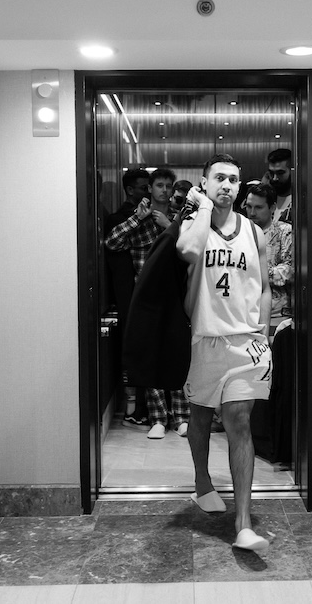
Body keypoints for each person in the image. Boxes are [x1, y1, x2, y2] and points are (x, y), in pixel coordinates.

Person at [176, 153, 273, 553]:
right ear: (204, 182)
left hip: (247, 343)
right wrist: (200, 208)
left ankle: (243, 524)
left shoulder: (255, 232)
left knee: (239, 420)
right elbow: (187, 252)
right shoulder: (193, 224)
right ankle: (202, 481)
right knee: (200, 415)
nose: (227, 186)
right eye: (218, 178)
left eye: (233, 180)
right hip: (207, 338)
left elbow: (264, 286)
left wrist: (263, 330)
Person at [105, 167, 190, 439]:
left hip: (176, 294)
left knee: (176, 356)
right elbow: (112, 242)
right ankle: (158, 418)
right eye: (159, 185)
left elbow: (194, 251)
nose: (164, 190)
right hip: (146, 297)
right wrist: (137, 220)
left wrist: (171, 226)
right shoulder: (137, 218)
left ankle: (181, 416)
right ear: (150, 188)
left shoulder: (181, 219)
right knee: (151, 357)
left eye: (168, 186)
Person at [243, 183, 293, 333]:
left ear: (272, 208)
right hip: (245, 314)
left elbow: (289, 270)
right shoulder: (240, 233)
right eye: (249, 206)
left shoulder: (284, 231)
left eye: (258, 207)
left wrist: (254, 272)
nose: (252, 212)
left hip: (277, 316)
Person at [263, 148, 293, 224]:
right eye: (271, 173)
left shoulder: (300, 203)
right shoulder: (267, 199)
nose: (274, 178)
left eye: (280, 173)